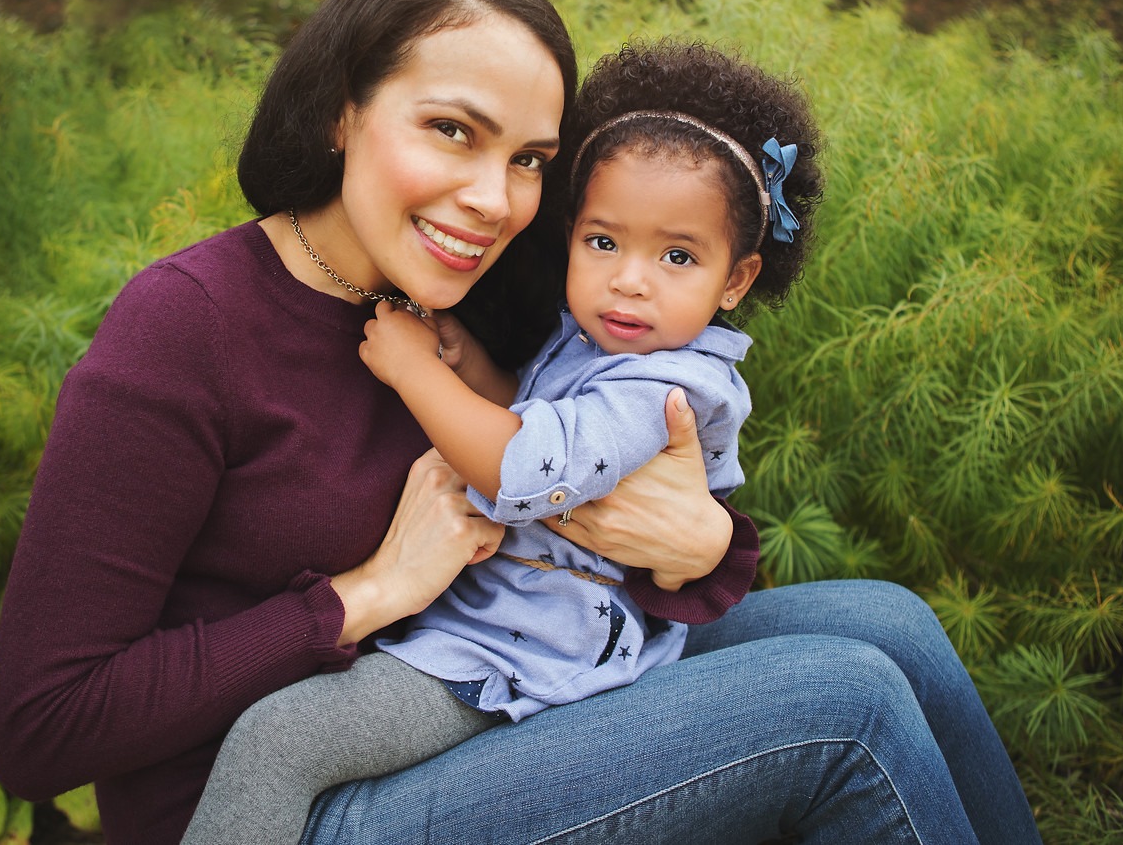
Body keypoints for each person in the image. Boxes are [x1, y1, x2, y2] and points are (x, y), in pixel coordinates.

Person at [0, 0, 1042, 845]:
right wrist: (360, 593)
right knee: (843, 706)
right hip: (286, 797)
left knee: (886, 624)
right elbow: (43, 728)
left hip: (488, 685)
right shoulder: (185, 327)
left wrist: (704, 541)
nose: (493, 199)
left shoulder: (469, 287)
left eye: (530, 158)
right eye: (452, 129)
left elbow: (578, 467)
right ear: (344, 111)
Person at [182, 42, 814, 845]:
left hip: (519, 652)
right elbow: (536, 415)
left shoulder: (661, 382)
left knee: (279, 738)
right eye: (604, 242)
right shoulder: (606, 344)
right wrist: (471, 363)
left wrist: (419, 375)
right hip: (518, 627)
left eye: (678, 255)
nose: (630, 279)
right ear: (570, 233)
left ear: (738, 280)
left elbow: (526, 466)